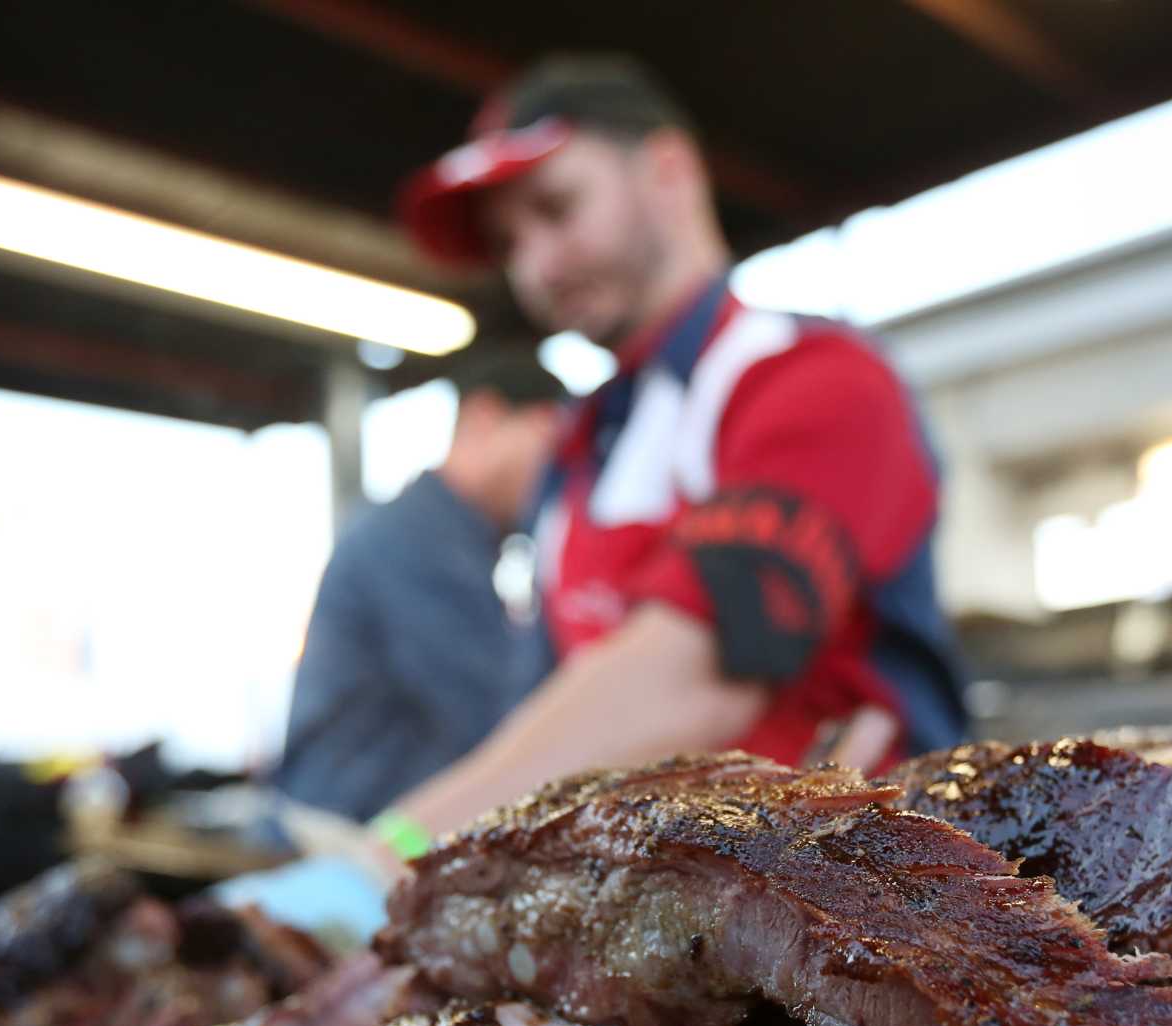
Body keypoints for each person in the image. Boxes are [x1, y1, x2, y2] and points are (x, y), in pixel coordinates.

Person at [355, 52, 966, 874]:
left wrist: (400, 846)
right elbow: (539, 704)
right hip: (638, 923)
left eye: (558, 208)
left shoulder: (814, 380)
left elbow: (704, 672)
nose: (537, 264)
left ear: (668, 170)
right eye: (509, 241)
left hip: (861, 924)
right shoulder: (576, 454)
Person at [272, 352, 565, 821]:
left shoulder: (454, 544)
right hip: (355, 837)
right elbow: (499, 713)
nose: (563, 474)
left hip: (385, 830)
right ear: (484, 417)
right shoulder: (414, 540)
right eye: (552, 440)